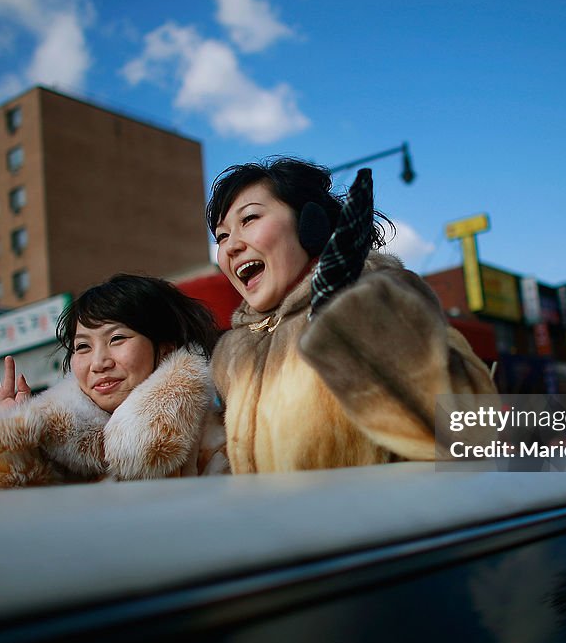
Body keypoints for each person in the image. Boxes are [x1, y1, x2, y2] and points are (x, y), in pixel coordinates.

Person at [206, 157, 496, 473]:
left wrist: (349, 315)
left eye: (249, 218)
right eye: (221, 236)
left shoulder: (382, 298)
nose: (231, 245)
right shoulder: (231, 354)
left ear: (309, 223)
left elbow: (471, 430)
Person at [0, 274, 227, 493]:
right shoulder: (48, 439)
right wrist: (4, 445)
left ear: (164, 348)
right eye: (83, 347)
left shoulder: (211, 440)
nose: (99, 363)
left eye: (117, 339)